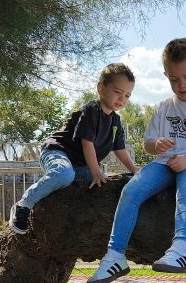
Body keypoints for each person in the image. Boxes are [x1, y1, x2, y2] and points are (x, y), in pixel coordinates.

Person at [88, 37, 186, 283]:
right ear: (166, 75)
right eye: (174, 79)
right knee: (131, 189)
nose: (182, 85)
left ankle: (182, 249)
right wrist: (157, 145)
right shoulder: (164, 107)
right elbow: (148, 144)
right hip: (165, 164)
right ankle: (115, 256)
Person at [8, 63, 139, 234]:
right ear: (101, 88)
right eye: (117, 92)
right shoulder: (91, 110)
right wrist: (96, 171)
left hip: (80, 164)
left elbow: (119, 149)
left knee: (104, 183)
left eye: (127, 95)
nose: (122, 99)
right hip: (59, 152)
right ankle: (24, 204)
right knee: (64, 174)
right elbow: (87, 143)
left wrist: (134, 169)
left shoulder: (116, 122)